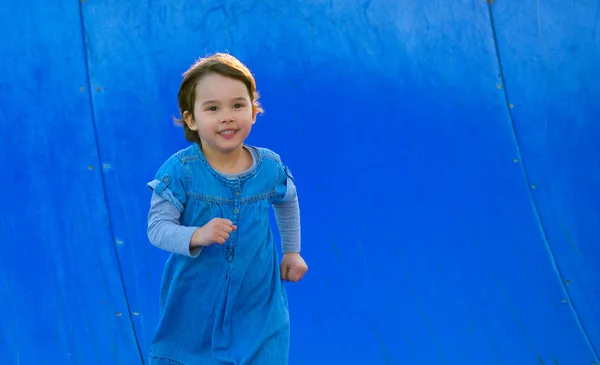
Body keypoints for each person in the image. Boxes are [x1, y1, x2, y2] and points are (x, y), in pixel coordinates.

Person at [145, 52, 308, 365]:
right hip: (195, 305)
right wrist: (196, 234)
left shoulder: (269, 168)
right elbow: (157, 228)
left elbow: (288, 200)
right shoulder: (181, 171)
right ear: (191, 118)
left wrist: (292, 251)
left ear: (253, 111)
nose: (227, 116)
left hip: (258, 304)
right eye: (212, 108)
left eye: (237, 105)